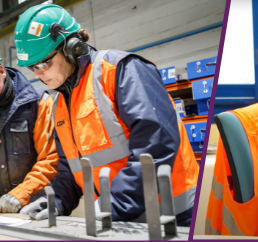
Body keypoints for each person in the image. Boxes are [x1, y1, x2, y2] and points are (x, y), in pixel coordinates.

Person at [2, 3, 199, 223]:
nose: (39, 75)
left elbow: (156, 144)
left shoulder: (120, 71)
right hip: (120, 218)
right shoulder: (60, 103)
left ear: (71, 47)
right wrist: (56, 201)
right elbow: (70, 166)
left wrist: (115, 205)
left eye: (44, 64)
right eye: (33, 68)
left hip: (169, 215)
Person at [0, 67, 43, 216]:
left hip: (34, 208)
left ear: (1, 71)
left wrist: (21, 194)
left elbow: (52, 158)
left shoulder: (38, 102)